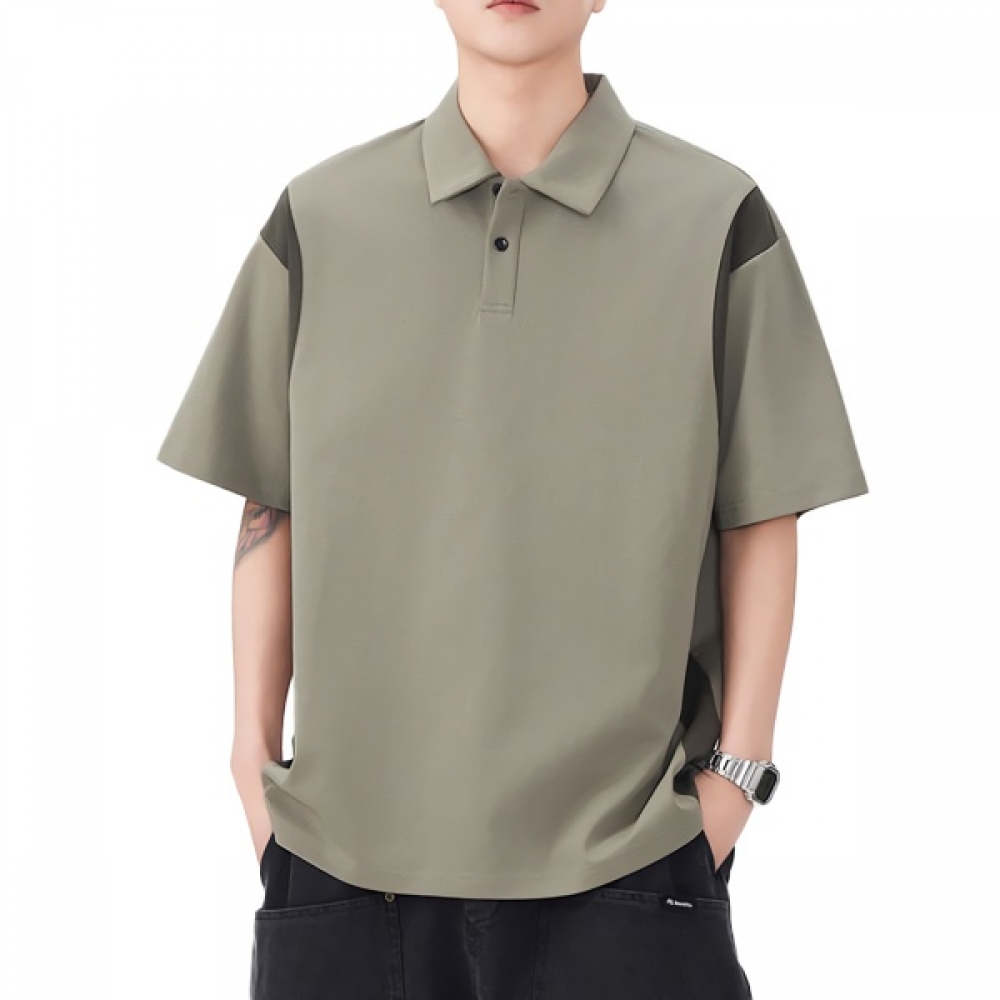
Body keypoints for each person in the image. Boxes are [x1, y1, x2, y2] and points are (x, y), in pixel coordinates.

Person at [156, 1, 869, 997]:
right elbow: (268, 501)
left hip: (627, 866)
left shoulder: (715, 218)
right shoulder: (319, 219)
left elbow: (762, 509)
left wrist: (737, 776)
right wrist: (251, 759)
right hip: (344, 866)